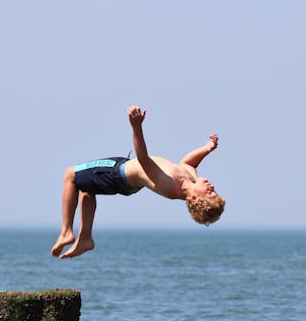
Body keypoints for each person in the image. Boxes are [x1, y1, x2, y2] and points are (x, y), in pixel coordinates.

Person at [51, 105, 225, 259]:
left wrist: (136, 126)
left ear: (195, 199)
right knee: (86, 187)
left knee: (70, 175)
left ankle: (66, 232)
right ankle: (85, 238)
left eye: (210, 193)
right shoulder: (191, 178)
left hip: (117, 175)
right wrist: (207, 148)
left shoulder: (171, 186)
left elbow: (144, 160)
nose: (212, 187)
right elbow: (188, 163)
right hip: (123, 170)